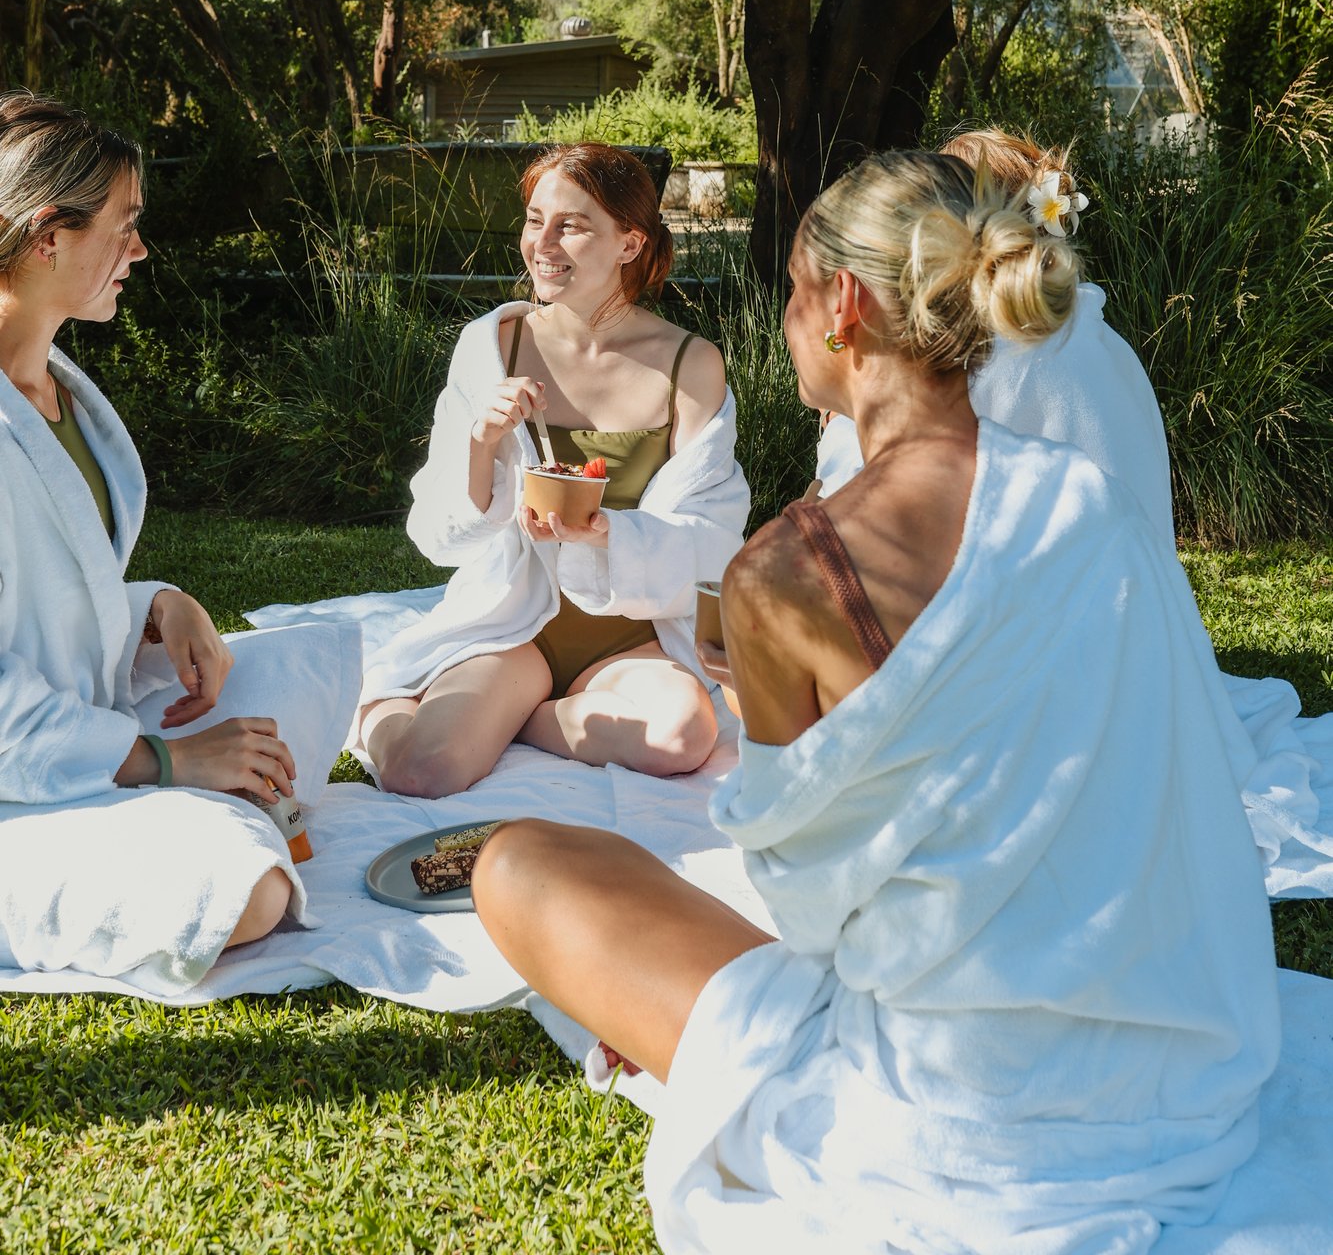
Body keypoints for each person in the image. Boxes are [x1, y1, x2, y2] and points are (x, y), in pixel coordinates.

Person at [472, 151, 1278, 1255]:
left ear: (842, 305)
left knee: (519, 863)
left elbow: (809, 916)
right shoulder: (1089, 500)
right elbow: (1189, 767)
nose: (792, 317)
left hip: (947, 1118)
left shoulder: (787, 573)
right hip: (1173, 1066)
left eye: (798, 292)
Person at [0, 92, 303, 988]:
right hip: (24, 773)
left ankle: (185, 800)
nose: (139, 250)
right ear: (48, 234)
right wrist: (167, 760)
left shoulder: (55, 390)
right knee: (245, 893)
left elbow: (40, 594)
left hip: (70, 736)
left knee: (305, 663)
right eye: (125, 227)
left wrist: (156, 607)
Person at [355, 143, 748, 797]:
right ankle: (383, 703)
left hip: (633, 635)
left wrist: (606, 536)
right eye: (535, 220)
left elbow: (713, 538)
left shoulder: (688, 364)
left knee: (681, 737)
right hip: (514, 624)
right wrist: (482, 440)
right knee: (423, 769)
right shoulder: (495, 344)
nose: (543, 243)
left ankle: (527, 722)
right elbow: (436, 535)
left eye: (571, 225)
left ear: (628, 243)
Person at [816, 128, 1174, 544]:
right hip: (1143, 597)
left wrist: (842, 420)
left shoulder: (990, 357)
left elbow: (865, 503)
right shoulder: (1104, 340)